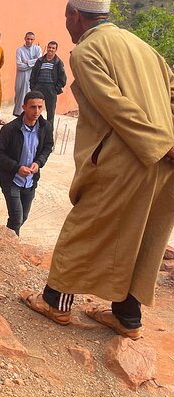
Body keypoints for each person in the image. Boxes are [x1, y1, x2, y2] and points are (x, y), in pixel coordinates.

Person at [21, 0, 174, 340]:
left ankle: (56, 302)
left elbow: (114, 106)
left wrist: (161, 142)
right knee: (146, 234)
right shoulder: (142, 46)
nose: (66, 26)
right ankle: (127, 318)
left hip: (132, 157)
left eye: (66, 18)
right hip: (164, 163)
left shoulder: (86, 52)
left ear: (76, 15)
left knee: (85, 225)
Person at [0, 91, 53, 236]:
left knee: (23, 217)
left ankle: (6, 241)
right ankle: (11, 249)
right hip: (11, 179)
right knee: (16, 218)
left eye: (40, 107)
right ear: (24, 107)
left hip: (30, 181)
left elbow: (48, 147)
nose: (37, 111)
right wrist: (17, 168)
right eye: (33, 107)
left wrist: (38, 163)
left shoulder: (46, 127)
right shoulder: (9, 129)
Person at [30, 41, 67, 123]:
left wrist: (56, 89)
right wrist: (33, 87)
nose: (51, 49)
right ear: (47, 48)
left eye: (53, 48)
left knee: (50, 113)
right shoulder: (40, 61)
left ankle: (49, 133)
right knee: (34, 109)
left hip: (51, 89)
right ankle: (35, 128)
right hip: (38, 87)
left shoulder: (58, 62)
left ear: (56, 50)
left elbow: (63, 78)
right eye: (49, 47)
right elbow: (33, 74)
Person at [12, 32, 42, 117]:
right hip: (21, 78)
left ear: (34, 40)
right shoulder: (19, 50)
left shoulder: (37, 49)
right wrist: (33, 62)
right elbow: (19, 66)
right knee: (20, 98)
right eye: (28, 39)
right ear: (25, 38)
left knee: (31, 97)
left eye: (31, 39)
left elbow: (39, 61)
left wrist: (28, 62)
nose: (29, 41)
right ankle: (19, 115)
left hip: (32, 77)